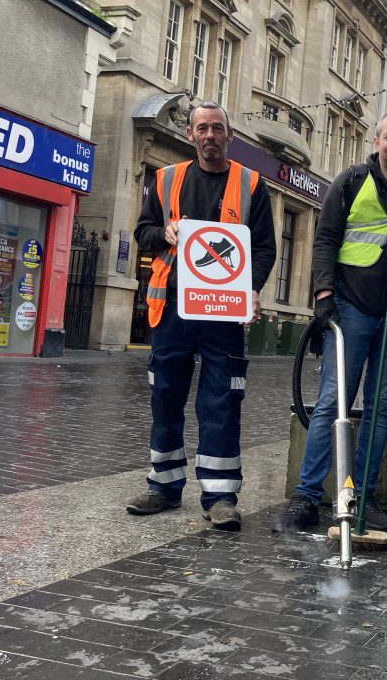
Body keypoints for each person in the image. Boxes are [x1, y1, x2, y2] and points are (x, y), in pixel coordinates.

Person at [275, 111, 387, 533]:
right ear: (376, 142)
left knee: (378, 409)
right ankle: (306, 495)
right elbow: (325, 240)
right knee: (332, 402)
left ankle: (362, 495)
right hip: (350, 308)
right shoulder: (351, 181)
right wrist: (322, 297)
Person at [126, 102, 276, 530]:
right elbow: (143, 232)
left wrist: (252, 287)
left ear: (230, 135)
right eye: (202, 129)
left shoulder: (251, 185)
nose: (210, 135)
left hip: (224, 316)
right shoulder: (166, 179)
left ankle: (221, 497)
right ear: (191, 135)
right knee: (165, 399)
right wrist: (165, 232)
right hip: (171, 310)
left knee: (222, 404)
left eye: (218, 129)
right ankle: (163, 487)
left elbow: (264, 247)